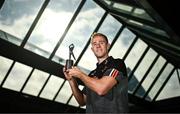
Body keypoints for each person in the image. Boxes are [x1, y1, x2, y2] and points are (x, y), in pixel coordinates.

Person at [63, 33, 128, 113]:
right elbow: (82, 101)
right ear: (92, 49)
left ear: (108, 46)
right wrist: (71, 80)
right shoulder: (92, 74)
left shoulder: (117, 64)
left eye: (101, 43)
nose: (98, 46)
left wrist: (80, 74)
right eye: (95, 44)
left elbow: (102, 89)